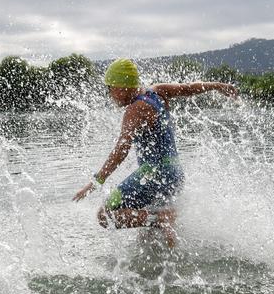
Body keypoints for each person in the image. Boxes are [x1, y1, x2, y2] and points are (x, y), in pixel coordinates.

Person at [73, 58, 238, 248]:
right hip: (174, 174)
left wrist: (96, 181)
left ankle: (162, 218)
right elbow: (188, 88)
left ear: (122, 86)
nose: (110, 94)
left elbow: (121, 149)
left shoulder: (135, 110)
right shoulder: (157, 91)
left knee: (105, 215)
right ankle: (171, 260)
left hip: (154, 174)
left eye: (110, 88)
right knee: (147, 239)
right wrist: (217, 86)